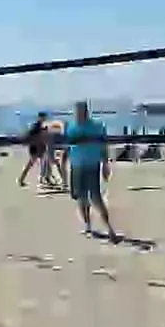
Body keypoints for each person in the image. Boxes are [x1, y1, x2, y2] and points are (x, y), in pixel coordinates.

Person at [64, 101, 117, 240]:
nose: (78, 114)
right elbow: (67, 147)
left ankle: (109, 228)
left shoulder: (96, 127)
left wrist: (106, 164)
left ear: (86, 112)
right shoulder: (70, 127)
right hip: (76, 166)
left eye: (81, 112)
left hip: (92, 165)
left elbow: (103, 146)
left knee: (95, 197)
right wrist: (63, 165)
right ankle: (88, 226)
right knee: (81, 198)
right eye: (76, 112)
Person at [17, 112, 49, 187]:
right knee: (31, 164)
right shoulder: (36, 126)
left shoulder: (40, 126)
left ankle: (42, 179)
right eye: (43, 117)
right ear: (39, 118)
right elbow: (30, 136)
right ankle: (21, 179)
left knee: (43, 163)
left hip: (40, 147)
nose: (44, 119)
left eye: (44, 118)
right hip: (35, 148)